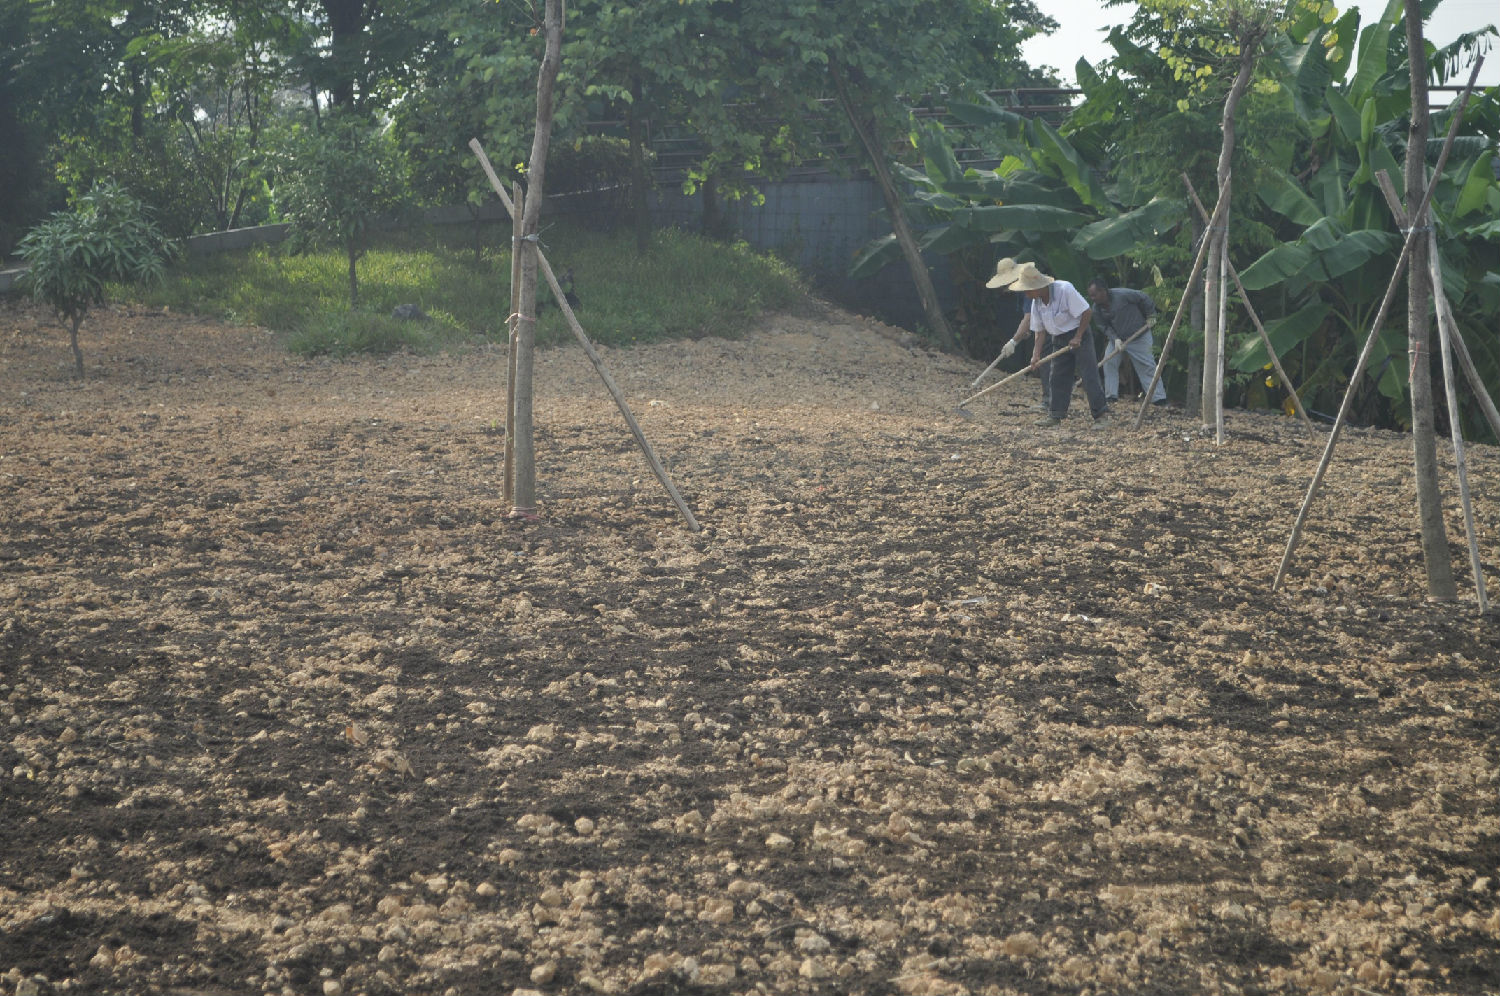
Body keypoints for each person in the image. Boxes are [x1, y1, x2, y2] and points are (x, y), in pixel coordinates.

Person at [1011, 263, 1109, 427]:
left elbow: (1086, 312)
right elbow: (1039, 332)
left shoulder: (1064, 289)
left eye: (1028, 290)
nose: (1027, 294)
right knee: (1057, 377)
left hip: (1079, 335)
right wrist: (1036, 355)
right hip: (1058, 338)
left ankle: (1101, 415)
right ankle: (1055, 415)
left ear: (1039, 286)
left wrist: (1078, 336)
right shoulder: (1037, 303)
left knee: (1089, 375)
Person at [1086, 278, 1167, 407]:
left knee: (1147, 366)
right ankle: (1111, 396)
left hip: (1139, 336)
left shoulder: (1122, 294)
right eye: (1090, 295)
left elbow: (1144, 297)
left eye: (1094, 295)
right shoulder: (1096, 309)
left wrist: (1151, 315)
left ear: (1103, 291)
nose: (1092, 298)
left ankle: (1158, 399)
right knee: (1109, 362)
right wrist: (1115, 339)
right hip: (1118, 340)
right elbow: (1103, 326)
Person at [987, 257, 1052, 411]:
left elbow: (1028, 317)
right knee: (1045, 362)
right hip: (1045, 324)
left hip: (1053, 326)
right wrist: (1024, 333)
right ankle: (1050, 401)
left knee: (1047, 363)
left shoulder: (1028, 284)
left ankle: (1050, 402)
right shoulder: (1021, 289)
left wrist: (1013, 341)